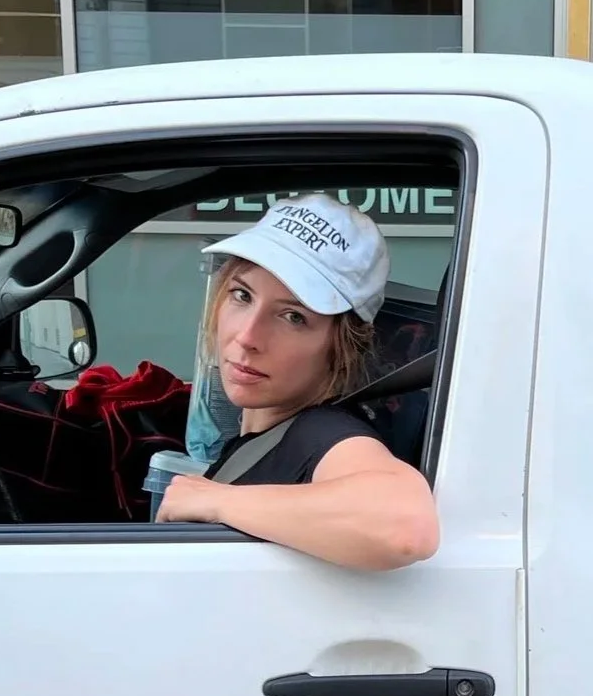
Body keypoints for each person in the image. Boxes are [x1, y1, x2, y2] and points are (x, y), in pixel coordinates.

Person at [154, 195, 439, 571]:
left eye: (292, 316)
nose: (247, 336)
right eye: (242, 295)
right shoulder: (262, 434)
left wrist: (217, 501)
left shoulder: (321, 433)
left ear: (340, 348)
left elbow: (405, 526)